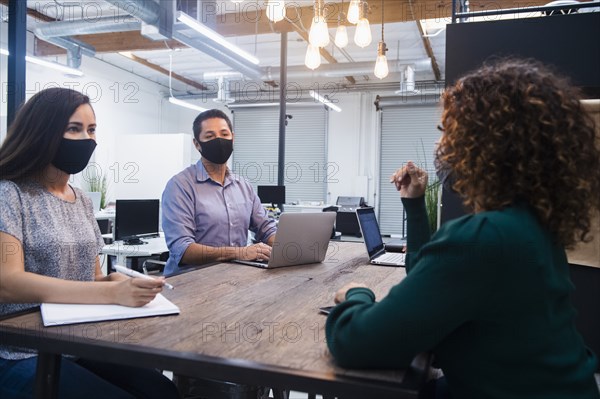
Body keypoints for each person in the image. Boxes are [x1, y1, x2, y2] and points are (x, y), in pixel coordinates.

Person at [325, 59, 600, 399]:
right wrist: (414, 203)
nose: (444, 147)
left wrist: (356, 293)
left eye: (450, 132)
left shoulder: (485, 237)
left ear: (482, 144)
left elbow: (357, 343)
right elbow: (425, 277)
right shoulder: (532, 227)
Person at [0, 88, 180, 399]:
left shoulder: (81, 199)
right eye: (74, 129)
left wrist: (113, 280)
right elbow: (7, 282)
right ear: (42, 132)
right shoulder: (10, 193)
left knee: (160, 389)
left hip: (76, 340)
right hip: (20, 349)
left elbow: (91, 276)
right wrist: (109, 291)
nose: (86, 138)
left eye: (92, 129)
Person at [161, 109, 277, 275]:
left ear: (233, 137)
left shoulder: (243, 186)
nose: (219, 141)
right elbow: (183, 249)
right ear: (197, 144)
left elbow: (266, 229)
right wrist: (240, 253)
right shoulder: (180, 186)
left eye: (224, 134)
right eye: (209, 136)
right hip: (190, 283)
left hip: (234, 280)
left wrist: (290, 246)